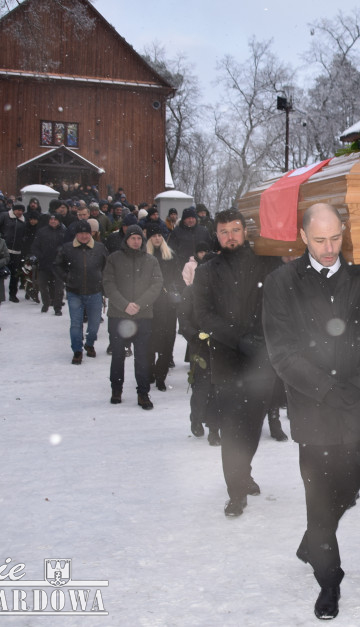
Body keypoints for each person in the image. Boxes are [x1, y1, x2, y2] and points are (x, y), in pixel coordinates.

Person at [262, 203, 360, 620]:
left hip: (358, 404)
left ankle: (314, 539)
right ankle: (329, 580)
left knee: (350, 487)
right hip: (313, 408)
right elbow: (282, 352)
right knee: (319, 499)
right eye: (320, 240)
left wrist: (359, 384)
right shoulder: (281, 283)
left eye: (335, 237)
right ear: (303, 237)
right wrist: (327, 389)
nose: (330, 247)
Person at [193, 209, 281, 516]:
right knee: (232, 428)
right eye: (224, 231)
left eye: (235, 230)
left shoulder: (267, 262)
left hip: (261, 359)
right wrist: (238, 338)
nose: (230, 236)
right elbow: (202, 315)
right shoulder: (207, 271)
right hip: (227, 358)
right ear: (216, 236)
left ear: (245, 231)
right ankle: (236, 491)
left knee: (253, 425)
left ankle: (244, 472)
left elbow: (282, 300)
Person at [103, 225, 162, 409]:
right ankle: (116, 389)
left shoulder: (151, 260)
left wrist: (139, 304)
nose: (136, 242)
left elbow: (156, 285)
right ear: (126, 240)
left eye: (139, 239)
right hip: (119, 316)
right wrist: (124, 305)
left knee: (142, 356)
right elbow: (108, 284)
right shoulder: (114, 259)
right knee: (118, 355)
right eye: (132, 238)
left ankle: (143, 393)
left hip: (143, 316)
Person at [180, 242, 219, 444]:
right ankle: (196, 418)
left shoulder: (226, 292)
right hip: (199, 347)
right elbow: (183, 320)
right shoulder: (191, 292)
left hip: (221, 347)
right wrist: (195, 336)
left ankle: (214, 429)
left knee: (218, 389)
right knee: (202, 388)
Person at [55, 219, 108, 365]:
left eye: (86, 233)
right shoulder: (67, 248)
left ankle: (89, 343)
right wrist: (67, 277)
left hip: (95, 291)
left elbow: (107, 266)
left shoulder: (99, 248)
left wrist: (102, 279)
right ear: (76, 234)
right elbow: (57, 265)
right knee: (76, 324)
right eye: (81, 233)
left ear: (91, 233)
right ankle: (77, 350)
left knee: (94, 324)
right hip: (75, 292)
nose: (84, 236)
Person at [144, 224, 180, 392]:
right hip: (150, 304)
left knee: (168, 340)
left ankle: (161, 376)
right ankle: (150, 371)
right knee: (150, 340)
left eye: (159, 235)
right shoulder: (144, 256)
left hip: (168, 304)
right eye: (154, 235)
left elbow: (178, 278)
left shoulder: (170, 255)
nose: (157, 238)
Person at [31, 213, 68, 315]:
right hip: (44, 263)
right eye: (51, 219)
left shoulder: (64, 232)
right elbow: (35, 246)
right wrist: (40, 256)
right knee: (42, 285)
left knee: (59, 288)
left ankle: (57, 307)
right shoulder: (42, 231)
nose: (53, 221)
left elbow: (67, 247)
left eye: (55, 219)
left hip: (58, 264)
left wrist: (62, 257)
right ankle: (46, 303)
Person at [0, 203, 27, 302]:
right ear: (13, 210)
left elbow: (25, 234)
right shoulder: (4, 216)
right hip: (4, 250)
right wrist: (0, 238)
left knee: (15, 275)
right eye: (18, 210)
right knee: (0, 273)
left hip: (17, 251)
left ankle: (13, 294)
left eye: (21, 211)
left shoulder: (23, 221)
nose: (20, 212)